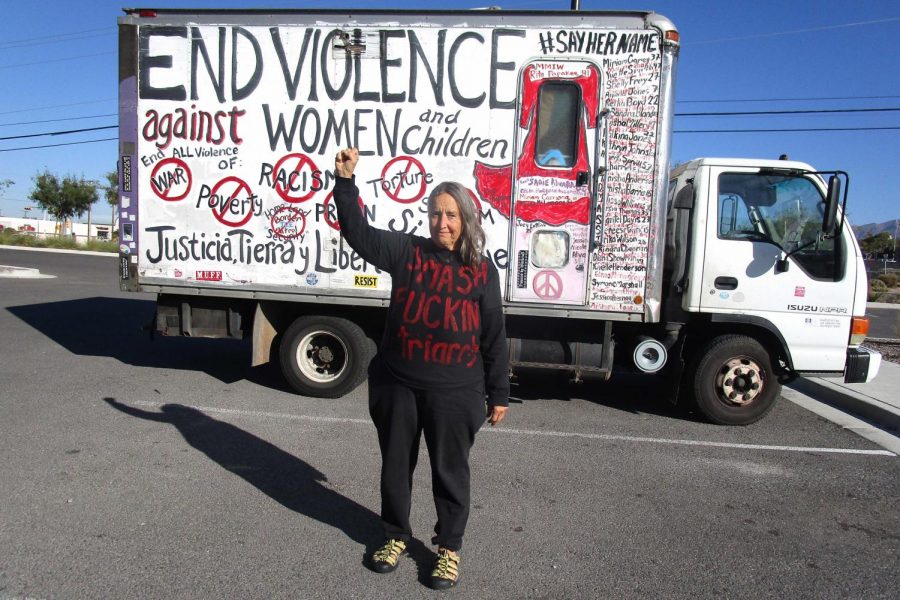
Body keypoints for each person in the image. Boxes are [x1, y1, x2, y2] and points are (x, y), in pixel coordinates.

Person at [332, 148, 509, 590]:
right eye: (435, 214)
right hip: (399, 386)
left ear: (467, 219)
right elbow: (357, 233)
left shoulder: (482, 271)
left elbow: (493, 336)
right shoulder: (406, 251)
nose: (441, 223)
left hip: (456, 391)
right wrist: (346, 183)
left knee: (450, 473)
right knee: (395, 468)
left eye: (451, 215)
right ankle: (394, 536)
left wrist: (499, 392)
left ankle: (448, 549)